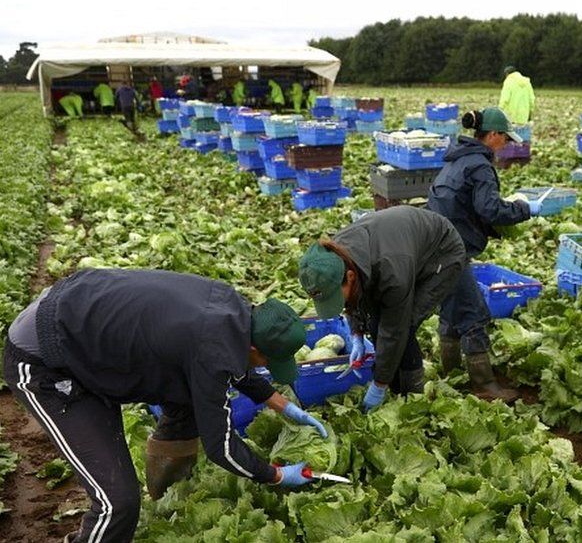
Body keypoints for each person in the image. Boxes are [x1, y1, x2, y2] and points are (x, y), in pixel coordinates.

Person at [3, 269, 325, 542]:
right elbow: (221, 447)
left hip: (85, 326)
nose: (264, 365)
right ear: (254, 345)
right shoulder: (213, 349)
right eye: (268, 359)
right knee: (118, 504)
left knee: (189, 401)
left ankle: (166, 494)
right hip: (46, 360)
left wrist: (279, 403)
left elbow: (231, 360)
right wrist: (276, 476)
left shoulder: (235, 311)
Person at [298, 207, 467, 412]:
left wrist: (378, 385)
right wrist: (357, 332)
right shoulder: (335, 256)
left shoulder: (391, 273)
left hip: (440, 254)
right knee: (378, 324)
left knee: (405, 324)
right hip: (399, 247)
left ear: (350, 277)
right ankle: (394, 385)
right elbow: (354, 297)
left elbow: (395, 329)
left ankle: (413, 394)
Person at [427, 108, 541, 402]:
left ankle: (451, 372)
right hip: (452, 248)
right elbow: (490, 209)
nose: (506, 144)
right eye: (504, 138)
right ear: (492, 135)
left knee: (452, 310)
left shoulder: (457, 159)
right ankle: (485, 386)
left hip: (436, 245)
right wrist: (525, 209)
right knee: (474, 314)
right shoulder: (479, 166)